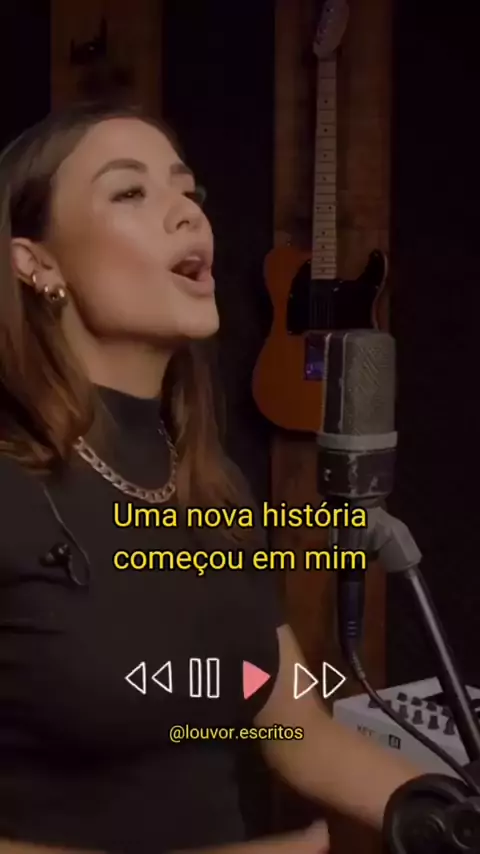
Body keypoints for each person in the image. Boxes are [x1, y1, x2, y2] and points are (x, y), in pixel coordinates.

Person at [0, 101, 419, 854]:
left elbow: (296, 727)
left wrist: (447, 805)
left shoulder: (207, 483)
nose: (187, 212)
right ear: (37, 263)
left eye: (187, 190)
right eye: (131, 191)